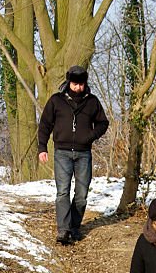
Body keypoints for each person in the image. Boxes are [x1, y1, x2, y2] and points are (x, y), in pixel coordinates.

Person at [37, 65, 110, 245]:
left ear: (85, 83)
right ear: (69, 82)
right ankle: (63, 230)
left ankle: (74, 227)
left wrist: (90, 136)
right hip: (61, 152)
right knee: (62, 192)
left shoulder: (92, 102)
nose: (78, 87)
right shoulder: (56, 100)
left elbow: (103, 123)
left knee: (82, 194)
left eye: (81, 84)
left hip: (84, 153)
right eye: (75, 84)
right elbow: (45, 124)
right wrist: (42, 147)